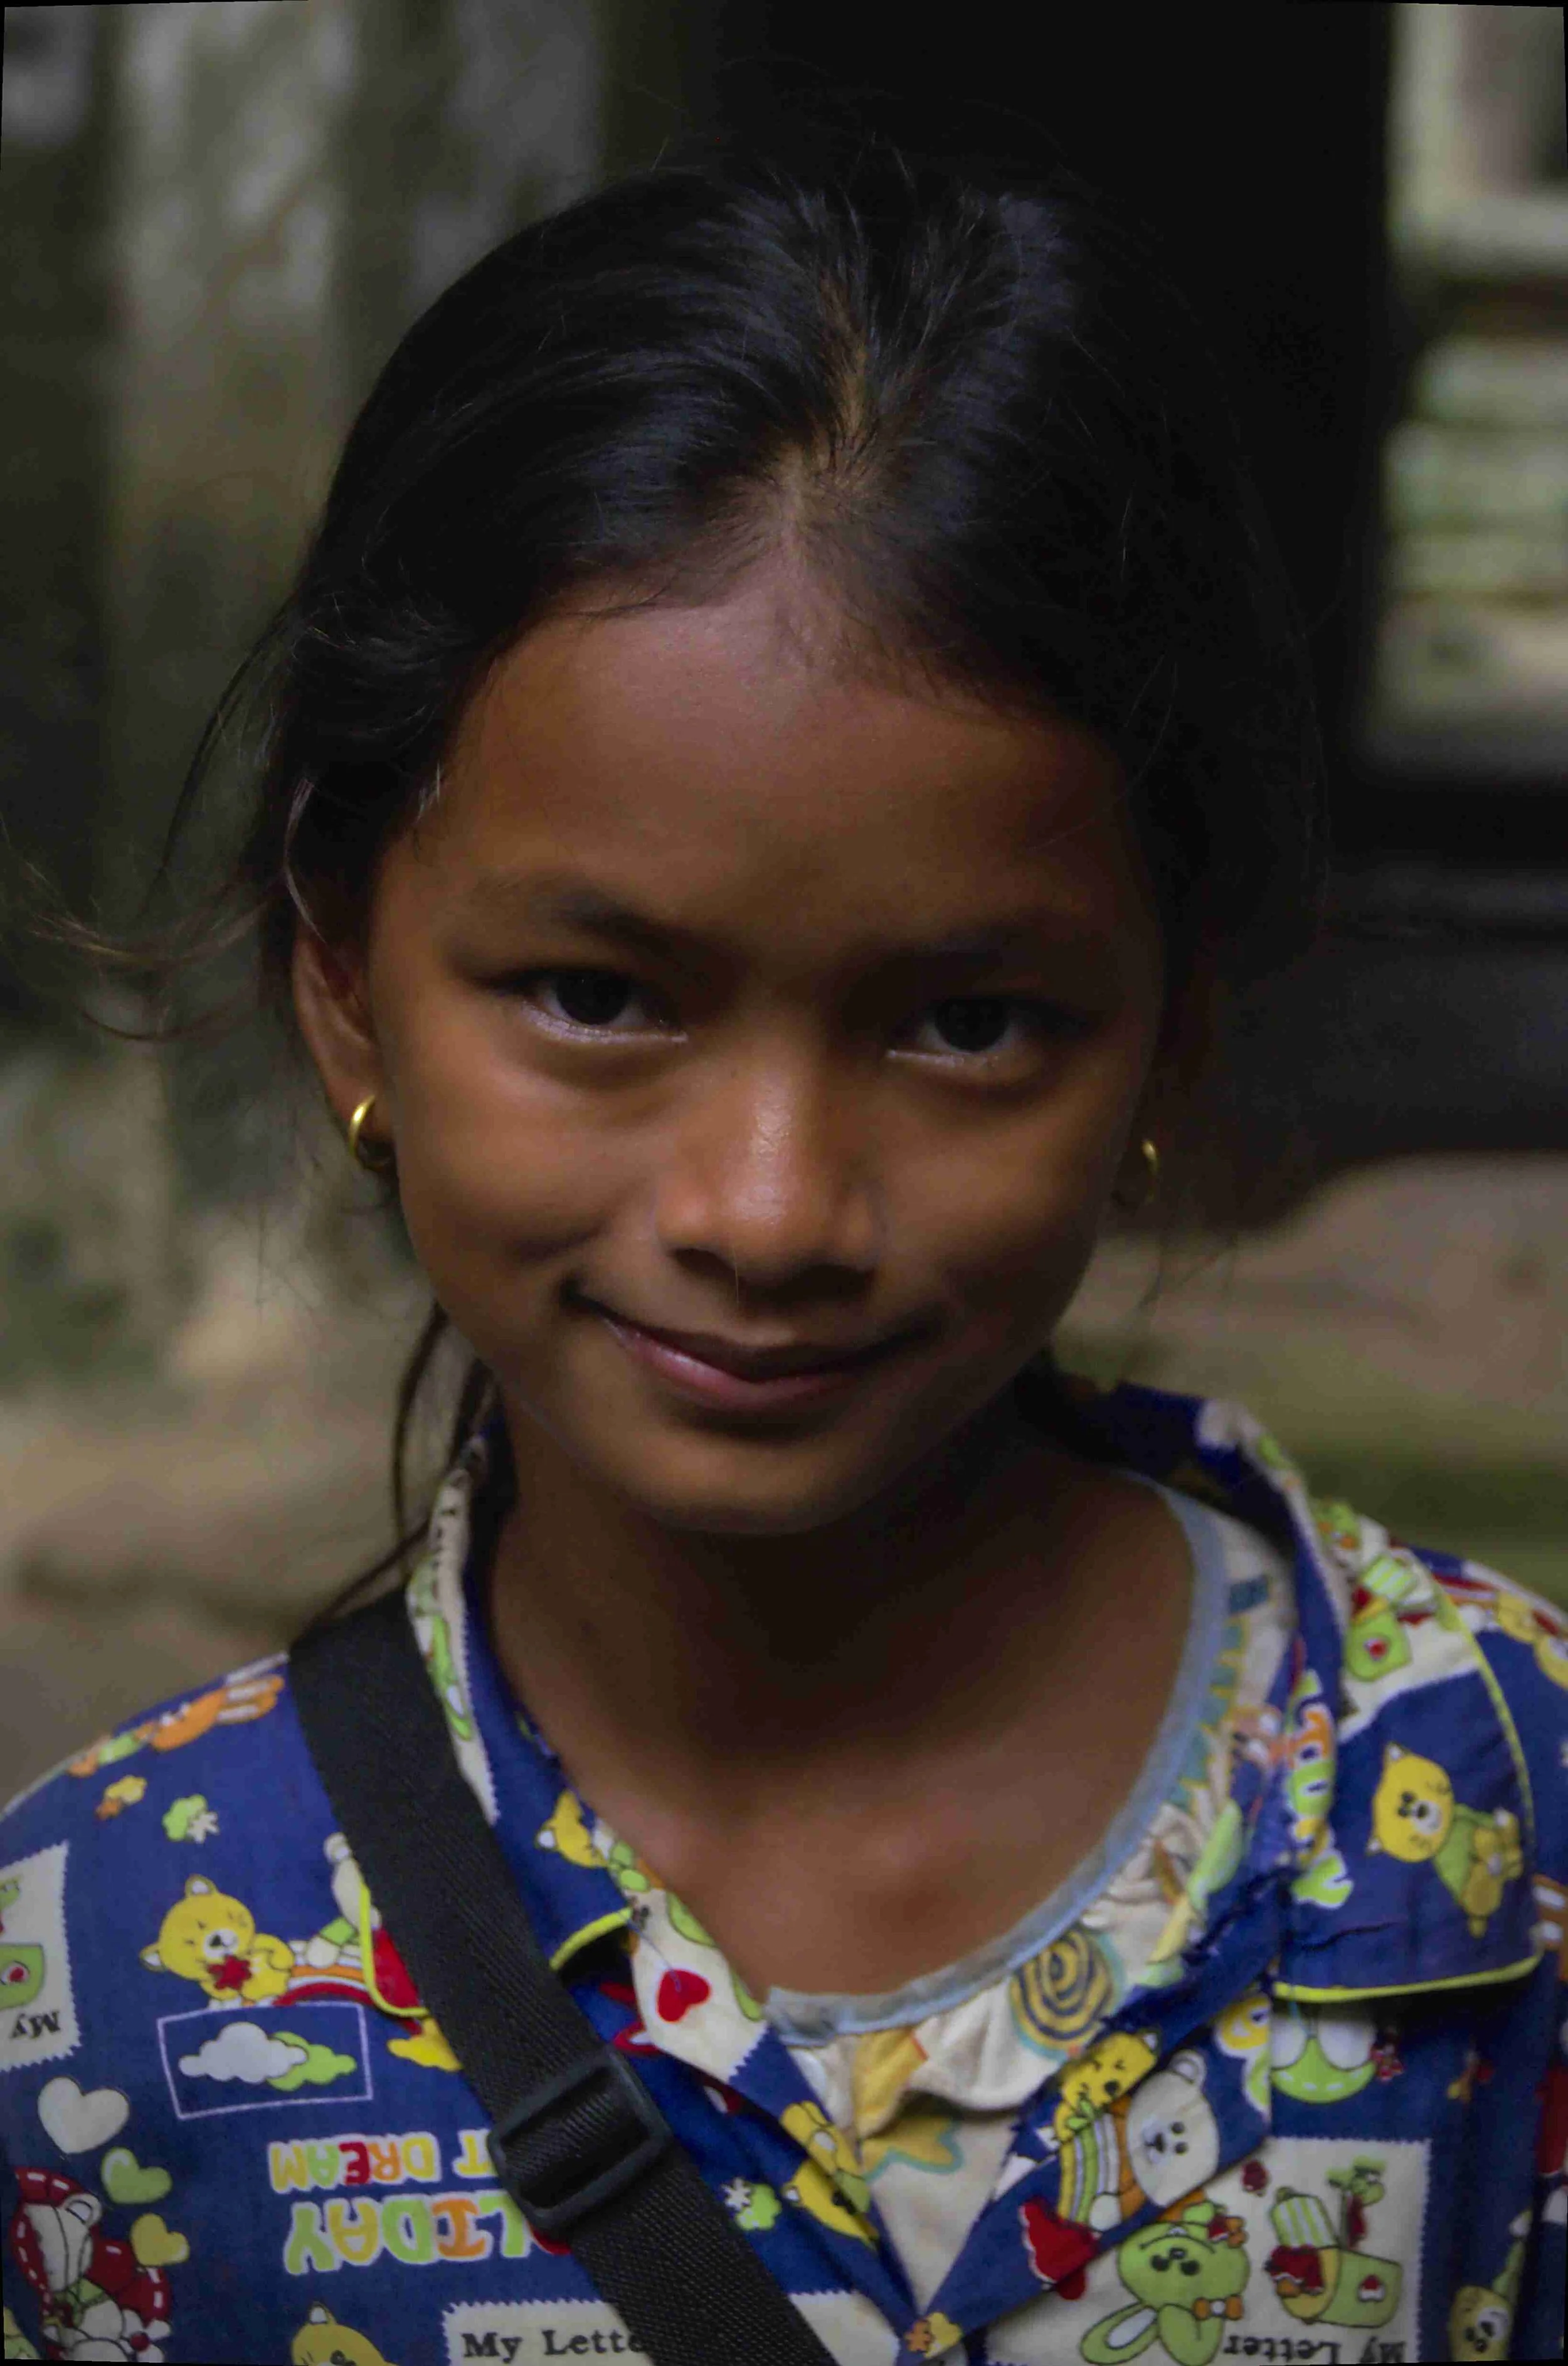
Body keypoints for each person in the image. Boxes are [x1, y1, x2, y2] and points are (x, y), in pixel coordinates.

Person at [2, 134, 1564, 2366]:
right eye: (598, 995)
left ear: (1164, 1035)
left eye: (963, 1021)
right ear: (343, 974)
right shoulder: (103, 1972)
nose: (765, 1209)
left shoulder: (1504, 1832)